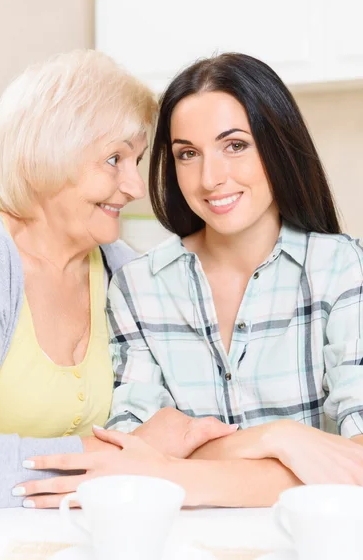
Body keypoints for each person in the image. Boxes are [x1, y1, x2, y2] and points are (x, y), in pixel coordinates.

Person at [20, 52, 363, 509]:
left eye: (235, 145)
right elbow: (133, 459)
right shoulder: (137, 287)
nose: (211, 178)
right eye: (188, 154)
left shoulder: (342, 269)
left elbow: (356, 467)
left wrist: (176, 469)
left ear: (277, 144)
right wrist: (285, 442)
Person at [0, 50, 232, 510]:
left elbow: (177, 438)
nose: (133, 186)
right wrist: (110, 459)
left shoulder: (123, 270)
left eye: (137, 160)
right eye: (114, 159)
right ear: (50, 152)